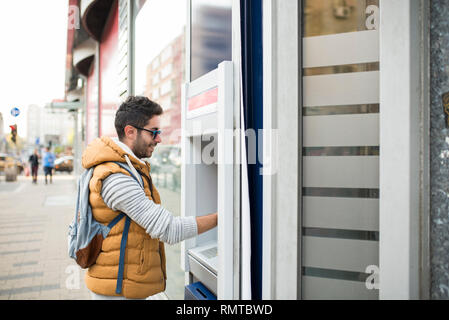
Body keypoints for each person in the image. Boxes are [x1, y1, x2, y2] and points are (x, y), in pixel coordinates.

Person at [82, 96, 217, 300]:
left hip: (123, 283)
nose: (159, 139)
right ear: (130, 132)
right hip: (117, 291)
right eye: (154, 132)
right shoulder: (116, 178)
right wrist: (222, 218)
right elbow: (169, 230)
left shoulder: (128, 168)